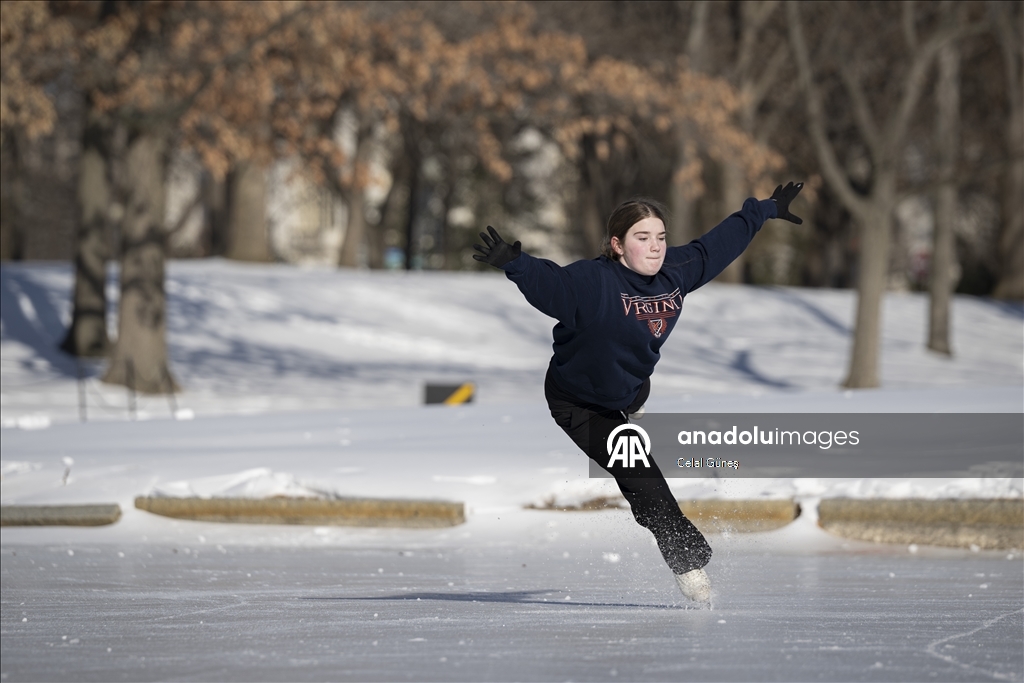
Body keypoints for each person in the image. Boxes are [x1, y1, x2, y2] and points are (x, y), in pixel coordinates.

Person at [473, 183, 804, 605]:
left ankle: (633, 402)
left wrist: (765, 208)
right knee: (642, 479)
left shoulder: (676, 272)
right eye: (642, 238)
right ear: (617, 245)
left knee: (632, 393)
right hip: (581, 403)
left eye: (660, 237)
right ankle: (687, 563)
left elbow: (717, 245)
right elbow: (552, 284)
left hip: (629, 385)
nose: (655, 247)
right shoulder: (594, 282)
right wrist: (515, 263)